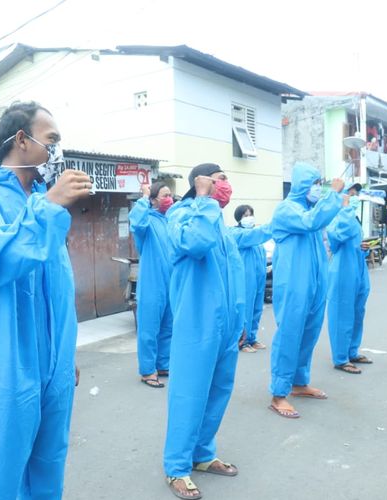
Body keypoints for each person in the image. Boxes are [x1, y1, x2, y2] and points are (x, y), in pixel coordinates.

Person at [0, 101, 92, 499]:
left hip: (53, 364)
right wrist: (47, 208)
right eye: (51, 141)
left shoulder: (44, 202)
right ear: (21, 140)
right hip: (6, 363)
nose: (56, 151)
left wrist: (66, 354)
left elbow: (55, 291)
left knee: (48, 465)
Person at [163, 163, 245, 500]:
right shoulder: (181, 215)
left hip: (226, 327)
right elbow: (194, 244)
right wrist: (204, 200)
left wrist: (240, 324)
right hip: (197, 323)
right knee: (189, 393)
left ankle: (201, 455)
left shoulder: (221, 225)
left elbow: (235, 275)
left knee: (218, 391)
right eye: (222, 179)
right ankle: (176, 467)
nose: (227, 186)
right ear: (204, 181)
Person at [268, 162, 344, 419]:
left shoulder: (310, 209)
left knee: (309, 334)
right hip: (293, 283)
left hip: (314, 283)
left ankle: (299, 383)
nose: (317, 189)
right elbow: (311, 223)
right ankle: (279, 394)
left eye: (320, 184)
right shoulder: (287, 210)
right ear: (301, 184)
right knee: (290, 333)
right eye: (314, 183)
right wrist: (333, 194)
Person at [129, 180, 174, 388]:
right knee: (149, 328)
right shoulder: (146, 222)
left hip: (171, 282)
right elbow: (136, 222)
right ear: (154, 199)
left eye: (170, 195)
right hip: (152, 282)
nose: (169, 199)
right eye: (164, 195)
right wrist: (143, 198)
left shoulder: (170, 221)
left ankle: (163, 364)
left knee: (168, 326)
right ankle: (148, 370)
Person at [326, 184, 372, 374]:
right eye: (350, 193)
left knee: (357, 312)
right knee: (341, 313)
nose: (353, 196)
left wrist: (363, 247)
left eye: (355, 193)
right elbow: (337, 238)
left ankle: (352, 351)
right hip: (342, 270)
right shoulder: (337, 217)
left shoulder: (352, 217)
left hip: (358, 268)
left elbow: (353, 241)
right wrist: (345, 208)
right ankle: (341, 358)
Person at [229, 204, 272, 353]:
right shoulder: (236, 233)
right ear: (239, 218)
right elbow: (250, 237)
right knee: (245, 308)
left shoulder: (255, 237)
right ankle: (242, 341)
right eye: (245, 215)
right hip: (244, 278)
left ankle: (252, 338)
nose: (249, 218)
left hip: (258, 277)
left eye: (250, 214)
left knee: (256, 307)